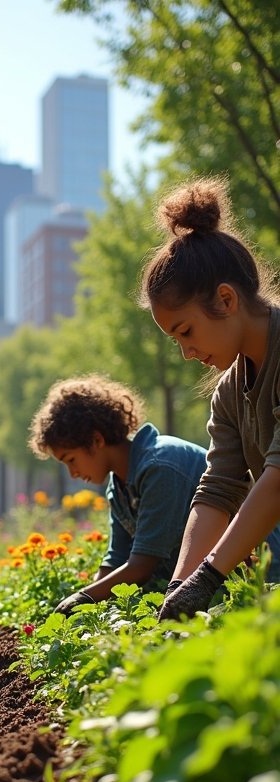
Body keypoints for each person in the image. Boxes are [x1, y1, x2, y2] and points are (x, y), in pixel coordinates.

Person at [143, 177, 280, 621]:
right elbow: (219, 488)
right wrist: (181, 587)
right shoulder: (228, 393)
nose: (186, 352)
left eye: (186, 332)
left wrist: (209, 577)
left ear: (226, 299)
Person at [28, 374, 208, 616]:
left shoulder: (159, 466)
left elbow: (141, 566)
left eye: (71, 460)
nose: (73, 474)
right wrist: (86, 602)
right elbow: (116, 558)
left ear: (96, 440)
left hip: (248, 576)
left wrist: (83, 598)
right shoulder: (118, 485)